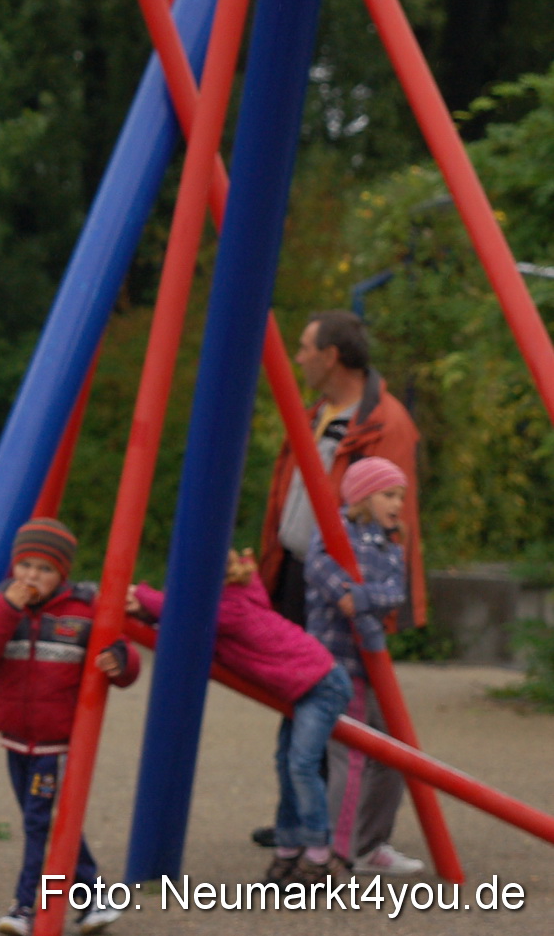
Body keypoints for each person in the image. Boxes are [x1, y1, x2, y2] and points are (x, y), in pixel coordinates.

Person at [0, 518, 137, 936]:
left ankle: (27, 907)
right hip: (16, 739)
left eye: (45, 569)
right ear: (14, 567)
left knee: (40, 822)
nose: (32, 577)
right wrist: (8, 608)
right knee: (51, 821)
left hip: (56, 742)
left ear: (62, 575)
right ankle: (94, 897)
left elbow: (123, 656)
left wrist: (122, 662)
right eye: (25, 566)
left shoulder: (82, 610)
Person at [128, 550, 353, 885]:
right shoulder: (219, 609)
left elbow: (183, 613)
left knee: (302, 765)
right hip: (303, 686)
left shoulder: (229, 605)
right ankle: (289, 848)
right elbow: (180, 623)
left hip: (321, 684)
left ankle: (320, 852)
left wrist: (138, 596)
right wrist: (145, 614)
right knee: (286, 763)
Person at [258, 310, 424, 627]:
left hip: (338, 586)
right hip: (293, 569)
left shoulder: (385, 424)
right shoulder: (314, 416)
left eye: (305, 348)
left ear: (331, 355)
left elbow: (394, 517)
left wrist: (372, 599)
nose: (298, 358)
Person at [306, 456, 423, 876]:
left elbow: (395, 591)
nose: (397, 504)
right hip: (337, 661)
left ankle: (370, 842)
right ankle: (339, 853)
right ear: (362, 496)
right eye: (389, 494)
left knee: (394, 753)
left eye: (401, 497)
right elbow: (317, 566)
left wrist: (361, 598)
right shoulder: (336, 529)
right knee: (350, 756)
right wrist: (343, 592)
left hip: (372, 662)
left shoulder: (391, 543)